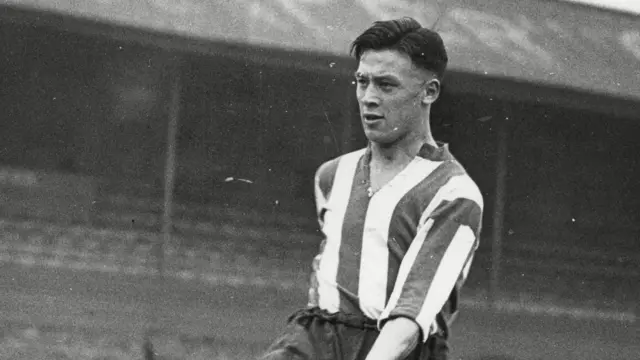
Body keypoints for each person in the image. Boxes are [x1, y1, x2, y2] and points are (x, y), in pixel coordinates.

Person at [260, 17, 484, 360]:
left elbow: (409, 319)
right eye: (362, 82)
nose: (368, 97)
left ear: (429, 92)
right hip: (318, 339)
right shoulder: (332, 175)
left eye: (386, 85)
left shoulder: (455, 195)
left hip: (398, 348)